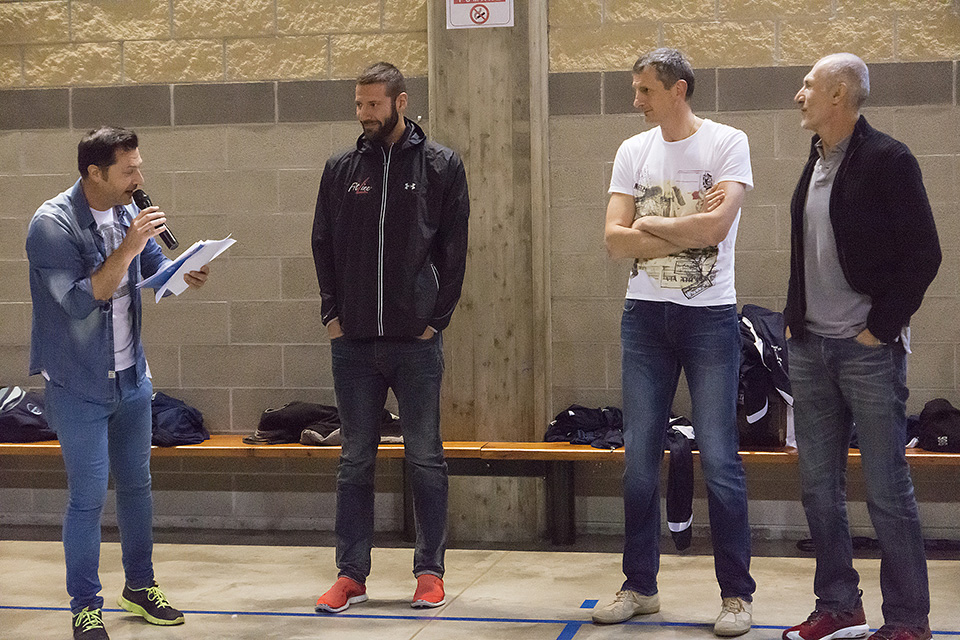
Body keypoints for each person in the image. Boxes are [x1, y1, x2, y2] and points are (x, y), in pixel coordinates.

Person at [594, 48, 756, 637]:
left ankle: (736, 596)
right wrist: (684, 232)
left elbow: (716, 229)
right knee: (638, 462)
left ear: (677, 89)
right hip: (644, 318)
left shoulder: (727, 143)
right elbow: (614, 241)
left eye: (645, 90)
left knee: (720, 459)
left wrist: (650, 225)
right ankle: (640, 586)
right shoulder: (632, 151)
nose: (636, 100)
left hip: (709, 318)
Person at [26, 126, 210, 640]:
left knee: (136, 488)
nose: (139, 179)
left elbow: (154, 273)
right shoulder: (52, 225)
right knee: (87, 498)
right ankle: (85, 606)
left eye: (139, 168)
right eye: (128, 171)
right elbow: (79, 301)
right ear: (95, 172)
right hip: (78, 382)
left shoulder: (128, 212)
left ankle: (141, 586)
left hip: (132, 377)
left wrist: (185, 272)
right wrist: (130, 246)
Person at [782, 53, 941, 640]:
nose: (798, 95)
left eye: (808, 85)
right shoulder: (816, 158)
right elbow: (808, 248)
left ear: (839, 94)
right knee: (818, 489)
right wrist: (794, 320)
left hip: (867, 353)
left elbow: (924, 254)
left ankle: (907, 619)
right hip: (811, 350)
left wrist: (881, 327)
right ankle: (839, 604)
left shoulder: (889, 159)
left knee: (887, 491)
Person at [311, 61, 469, 613]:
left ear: (400, 102)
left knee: (425, 458)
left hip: (415, 343)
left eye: (373, 104)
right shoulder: (341, 168)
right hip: (353, 343)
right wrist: (333, 315)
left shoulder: (441, 165)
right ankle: (350, 575)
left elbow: (454, 250)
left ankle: (429, 572)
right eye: (359, 104)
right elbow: (322, 244)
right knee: (355, 460)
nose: (364, 113)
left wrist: (435, 319)